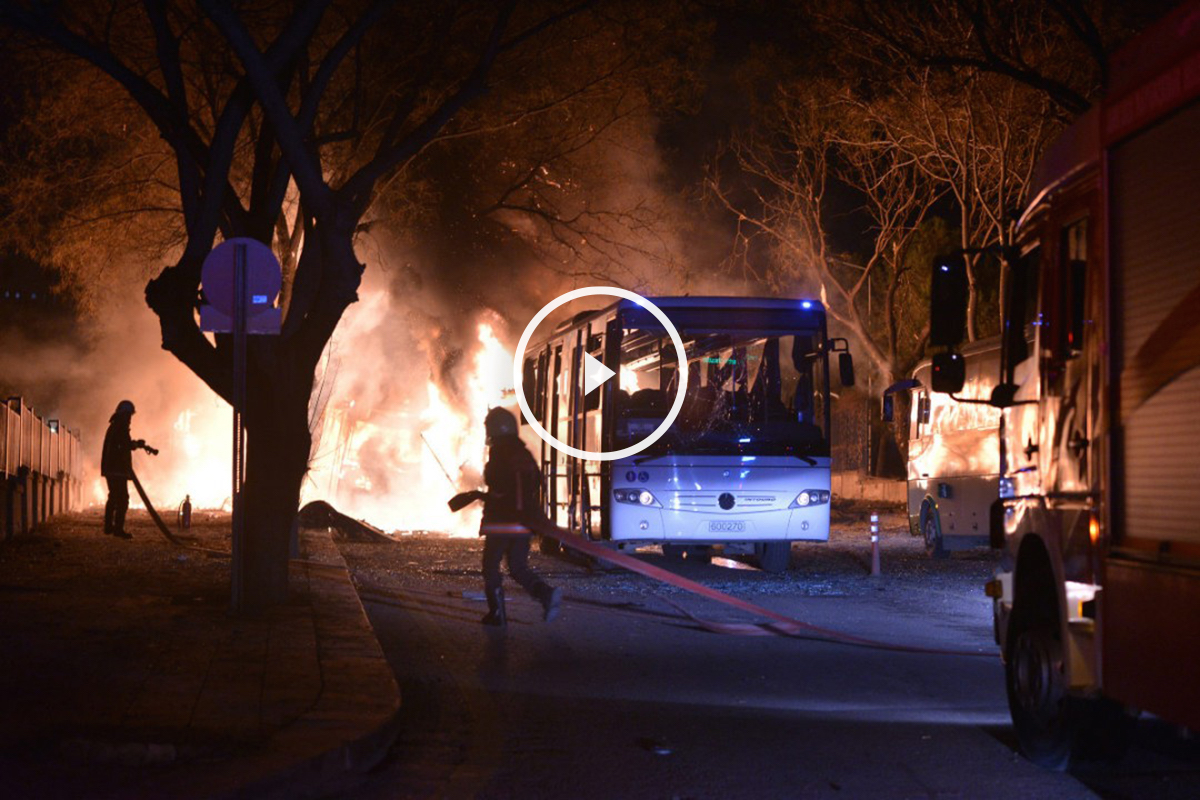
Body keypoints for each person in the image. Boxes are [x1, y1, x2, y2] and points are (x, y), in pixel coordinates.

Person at [459, 408, 562, 627]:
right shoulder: (523, 454)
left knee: (490, 566)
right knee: (518, 567)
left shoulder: (499, 454)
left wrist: (483, 495)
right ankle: (546, 594)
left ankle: (497, 613)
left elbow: (496, 485)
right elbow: (534, 483)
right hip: (524, 521)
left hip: (501, 522)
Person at [101, 400, 154, 539]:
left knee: (113, 497)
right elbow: (124, 445)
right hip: (117, 469)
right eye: (129, 415)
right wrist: (135, 444)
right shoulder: (120, 426)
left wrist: (136, 444)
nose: (130, 418)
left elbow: (122, 443)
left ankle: (108, 527)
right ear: (124, 414)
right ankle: (118, 529)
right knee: (122, 499)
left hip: (112, 468)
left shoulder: (115, 425)